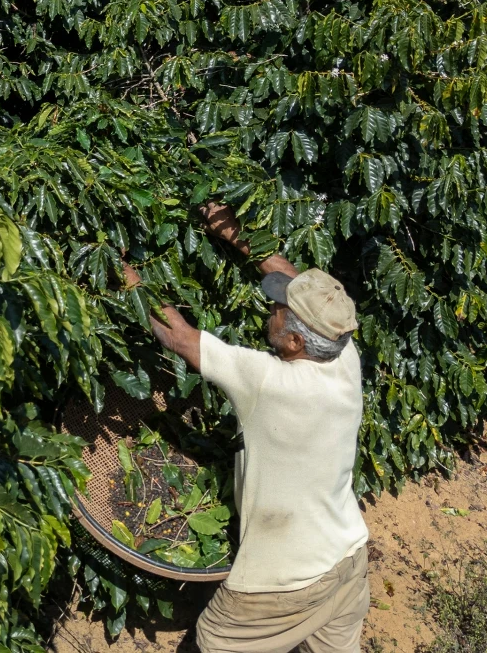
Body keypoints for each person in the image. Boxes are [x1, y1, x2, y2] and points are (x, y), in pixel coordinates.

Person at [119, 202, 369, 653]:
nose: (270, 310)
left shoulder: (269, 382)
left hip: (284, 582)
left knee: (213, 643)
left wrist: (118, 271)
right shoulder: (344, 352)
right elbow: (299, 284)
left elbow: (178, 335)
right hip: (348, 560)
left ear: (294, 341)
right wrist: (230, 231)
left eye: (277, 311)